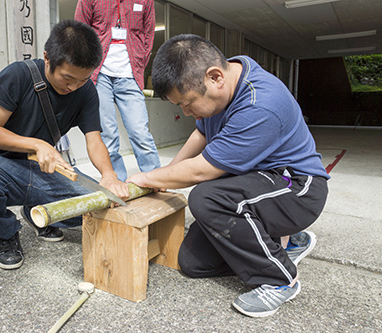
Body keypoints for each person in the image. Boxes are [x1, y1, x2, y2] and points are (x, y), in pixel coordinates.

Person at [127, 34, 329, 318]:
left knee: (207, 197)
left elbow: (203, 170)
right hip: (259, 183)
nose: (186, 113)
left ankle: (279, 279)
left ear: (215, 77)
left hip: (296, 189)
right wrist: (162, 176)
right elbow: (201, 133)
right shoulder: (222, 82)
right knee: (192, 263)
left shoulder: (261, 103)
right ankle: (286, 241)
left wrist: (147, 178)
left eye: (187, 103)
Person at [0, 20, 129, 270]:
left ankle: (37, 213)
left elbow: (94, 139)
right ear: (47, 58)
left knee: (101, 205)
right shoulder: (18, 75)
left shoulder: (86, 90)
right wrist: (36, 144)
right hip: (4, 169)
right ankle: (5, 233)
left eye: (82, 79)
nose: (73, 86)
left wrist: (109, 175)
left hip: (47, 172)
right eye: (67, 77)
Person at [75, 0, 161, 181]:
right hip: (99, 74)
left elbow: (148, 34)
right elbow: (80, 31)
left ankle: (155, 179)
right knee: (108, 135)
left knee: (140, 133)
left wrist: (138, 64)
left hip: (130, 75)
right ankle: (116, 181)